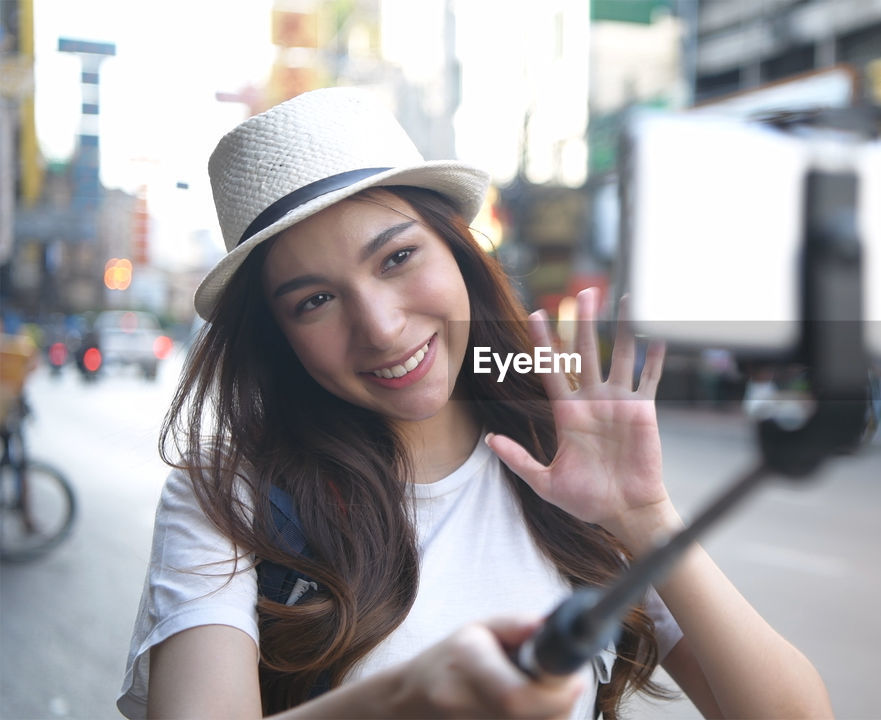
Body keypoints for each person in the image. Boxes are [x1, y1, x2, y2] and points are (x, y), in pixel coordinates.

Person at [118, 88, 832, 719]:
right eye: (315, 300)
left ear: (458, 252)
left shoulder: (566, 467)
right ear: (280, 337)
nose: (382, 325)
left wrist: (644, 517)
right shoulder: (227, 499)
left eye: (397, 258)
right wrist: (404, 698)